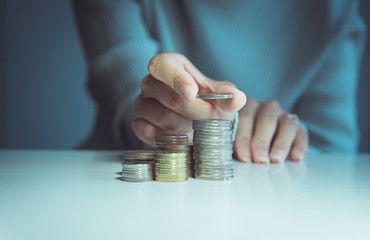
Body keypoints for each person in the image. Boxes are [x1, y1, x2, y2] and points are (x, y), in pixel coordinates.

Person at [73, 0, 366, 163]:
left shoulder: (334, 11)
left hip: (262, 204)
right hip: (114, 189)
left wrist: (284, 139)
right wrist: (174, 117)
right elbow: (130, 97)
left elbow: (334, 155)